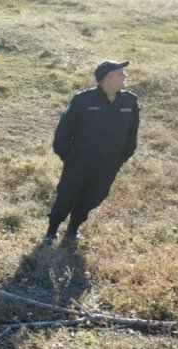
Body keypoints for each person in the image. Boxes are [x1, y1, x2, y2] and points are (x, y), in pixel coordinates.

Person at [42, 60, 140, 245]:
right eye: (120, 74)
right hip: (79, 161)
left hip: (109, 165)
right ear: (107, 79)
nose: (125, 77)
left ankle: (73, 229)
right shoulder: (82, 100)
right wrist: (68, 157)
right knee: (66, 195)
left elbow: (132, 133)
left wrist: (122, 157)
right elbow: (64, 131)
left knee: (93, 197)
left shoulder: (130, 102)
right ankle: (52, 230)